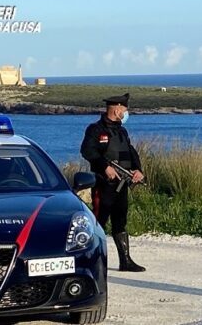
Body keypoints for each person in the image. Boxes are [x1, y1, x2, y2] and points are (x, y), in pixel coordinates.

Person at [80, 93, 146, 272]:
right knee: (99, 222)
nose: (126, 113)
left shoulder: (122, 131)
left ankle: (125, 261)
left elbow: (130, 152)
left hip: (122, 184)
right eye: (124, 109)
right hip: (104, 185)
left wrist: (137, 169)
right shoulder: (95, 130)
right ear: (116, 109)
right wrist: (104, 167)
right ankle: (93, 262)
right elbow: (87, 151)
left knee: (120, 221)